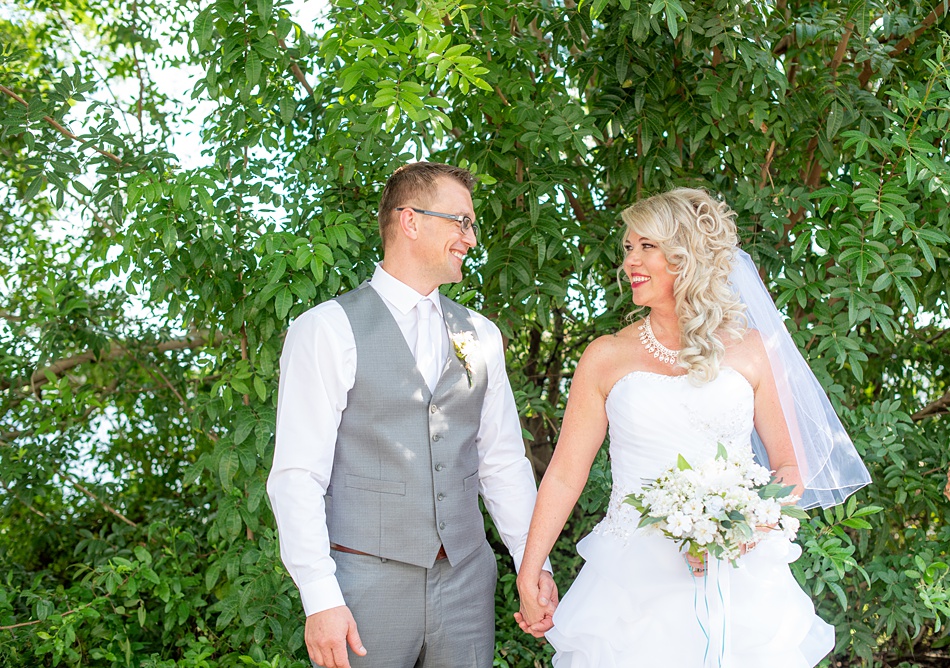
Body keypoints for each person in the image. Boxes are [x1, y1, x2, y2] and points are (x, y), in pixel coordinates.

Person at [514, 188, 871, 667]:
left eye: (647, 246)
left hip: (738, 575)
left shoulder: (751, 349)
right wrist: (529, 568)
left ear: (686, 255)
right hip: (631, 586)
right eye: (627, 248)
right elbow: (563, 474)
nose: (630, 261)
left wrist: (744, 525)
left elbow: (788, 467)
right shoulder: (605, 356)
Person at [267, 162, 557, 668]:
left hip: (467, 583)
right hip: (362, 587)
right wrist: (320, 595)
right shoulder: (327, 330)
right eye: (460, 222)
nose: (470, 238)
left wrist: (534, 565)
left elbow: (503, 463)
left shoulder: (481, 335)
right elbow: (296, 476)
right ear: (410, 221)